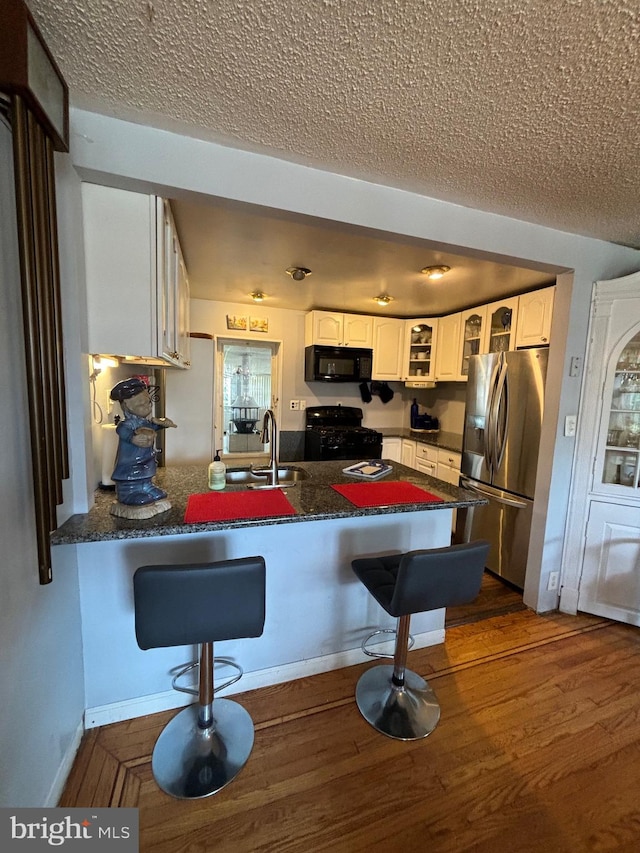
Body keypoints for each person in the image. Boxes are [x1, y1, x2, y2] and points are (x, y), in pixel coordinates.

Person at [109, 378, 177, 508]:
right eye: (141, 405)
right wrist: (132, 438)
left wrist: (163, 424)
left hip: (145, 463)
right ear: (126, 406)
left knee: (146, 476)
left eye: (148, 402)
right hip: (130, 467)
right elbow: (121, 430)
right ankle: (128, 494)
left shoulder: (145, 422)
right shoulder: (127, 425)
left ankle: (146, 487)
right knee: (132, 479)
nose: (148, 407)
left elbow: (154, 427)